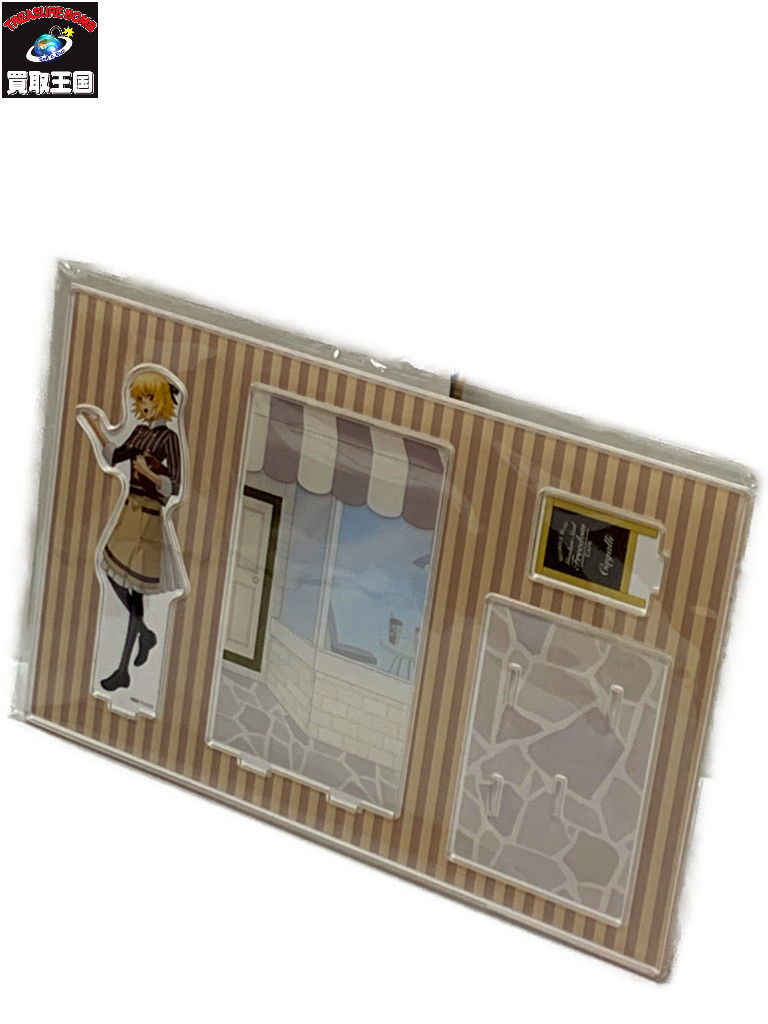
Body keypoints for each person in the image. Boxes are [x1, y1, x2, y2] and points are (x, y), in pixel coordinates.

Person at [81, 368, 187, 692]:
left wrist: (149, 473)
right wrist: (96, 428)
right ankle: (144, 633)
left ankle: (123, 669)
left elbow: (175, 485)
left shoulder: (169, 439)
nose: (143, 405)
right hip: (129, 511)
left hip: (149, 518)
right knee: (110, 570)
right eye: (140, 399)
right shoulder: (139, 432)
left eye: (149, 398)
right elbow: (115, 457)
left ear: (163, 401)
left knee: (136, 592)